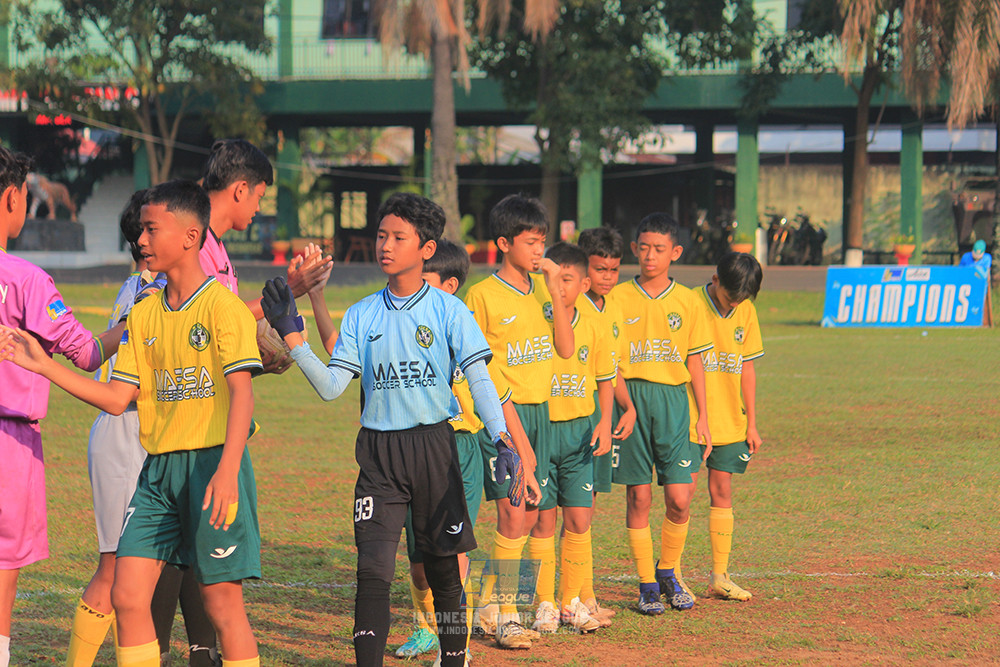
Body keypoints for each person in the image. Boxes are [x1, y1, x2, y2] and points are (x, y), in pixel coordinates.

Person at [1, 179, 265, 667]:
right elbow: (117, 399)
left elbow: (243, 395)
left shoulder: (223, 308)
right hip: (156, 476)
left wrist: (228, 471)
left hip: (212, 468)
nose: (140, 240)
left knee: (222, 603)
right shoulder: (143, 314)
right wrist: (43, 365)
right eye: (140, 230)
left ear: (190, 237)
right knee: (126, 595)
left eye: (150, 229)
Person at [260, 192, 524, 667]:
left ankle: (453, 658)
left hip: (434, 452)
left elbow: (480, 379)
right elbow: (331, 387)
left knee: (444, 570)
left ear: (425, 249)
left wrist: (502, 437)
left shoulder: (448, 310)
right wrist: (292, 334)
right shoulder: (363, 313)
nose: (385, 245)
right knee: (373, 571)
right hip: (378, 457)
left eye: (397, 237)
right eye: (381, 235)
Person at [0, 147, 124, 667]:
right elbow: (89, 352)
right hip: (10, 443)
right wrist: (136, 320)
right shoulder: (28, 281)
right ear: (12, 198)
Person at [395, 239, 539, 662]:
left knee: (453, 554)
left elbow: (501, 398)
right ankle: (424, 628)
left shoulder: (464, 333)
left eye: (427, 282)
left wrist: (523, 453)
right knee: (421, 564)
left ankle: (452, 645)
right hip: (411, 450)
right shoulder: (403, 329)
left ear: (451, 285)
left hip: (460, 450)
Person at [463, 194, 573, 649]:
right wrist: (500, 420)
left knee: (527, 517)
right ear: (504, 243)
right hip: (502, 416)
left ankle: (488, 604)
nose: (539, 251)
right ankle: (507, 616)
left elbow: (565, 349)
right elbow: (474, 364)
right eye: (531, 242)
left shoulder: (544, 293)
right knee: (513, 513)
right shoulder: (482, 295)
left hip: (540, 411)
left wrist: (554, 290)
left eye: (543, 242)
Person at [610, 212, 713, 615]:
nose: (649, 256)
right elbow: (610, 363)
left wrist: (704, 416)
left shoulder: (688, 301)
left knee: (680, 497)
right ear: (635, 248)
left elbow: (696, 362)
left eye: (659, 249)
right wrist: (623, 405)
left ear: (675, 252)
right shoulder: (618, 297)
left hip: (674, 403)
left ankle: (669, 570)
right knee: (638, 497)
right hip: (631, 402)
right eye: (643, 248)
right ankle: (647, 584)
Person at [526, 243, 614, 634]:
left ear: (583, 282)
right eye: (553, 278)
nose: (559, 287)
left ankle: (570, 602)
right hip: (543, 431)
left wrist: (605, 422)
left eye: (567, 279)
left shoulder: (594, 324)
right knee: (543, 520)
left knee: (579, 519)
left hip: (580, 432)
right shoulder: (536, 319)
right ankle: (544, 603)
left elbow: (605, 378)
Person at [685, 252, 764, 602]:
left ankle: (720, 576)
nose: (735, 303)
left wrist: (752, 422)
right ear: (715, 279)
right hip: (691, 416)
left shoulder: (746, 310)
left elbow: (747, 367)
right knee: (682, 496)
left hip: (731, 418)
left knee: (722, 491)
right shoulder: (690, 303)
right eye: (731, 297)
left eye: (741, 299)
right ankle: (671, 573)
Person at [575, 227, 636, 619]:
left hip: (601, 418)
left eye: (614, 270)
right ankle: (551, 598)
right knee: (542, 514)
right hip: (569, 417)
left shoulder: (611, 307)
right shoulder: (568, 304)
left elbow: (610, 369)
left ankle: (583, 594)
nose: (608, 278)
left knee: (587, 508)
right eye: (600, 270)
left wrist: (626, 407)